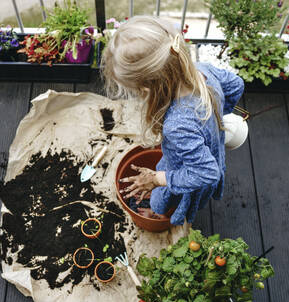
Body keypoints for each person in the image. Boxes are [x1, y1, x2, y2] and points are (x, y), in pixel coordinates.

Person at [101, 16, 244, 225]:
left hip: (182, 175)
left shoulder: (177, 126)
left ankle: (160, 215)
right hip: (212, 155)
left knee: (160, 201)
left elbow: (206, 173)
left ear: (148, 86)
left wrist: (156, 179)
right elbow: (236, 84)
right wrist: (216, 123)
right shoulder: (203, 71)